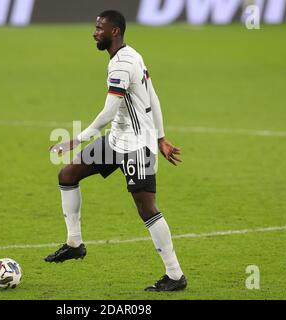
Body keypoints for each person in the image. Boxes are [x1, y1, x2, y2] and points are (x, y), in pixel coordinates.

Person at [45, 10, 187, 292]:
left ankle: (175, 275)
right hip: (117, 141)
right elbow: (153, 95)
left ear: (115, 32)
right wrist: (162, 136)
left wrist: (77, 140)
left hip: (137, 146)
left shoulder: (122, 63)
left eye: (99, 28)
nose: (94, 32)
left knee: (146, 208)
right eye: (95, 27)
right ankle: (75, 244)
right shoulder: (132, 55)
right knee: (68, 174)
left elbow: (110, 111)